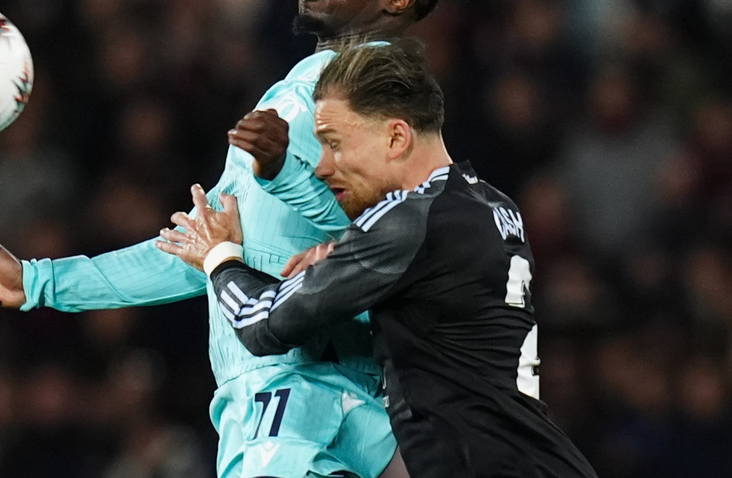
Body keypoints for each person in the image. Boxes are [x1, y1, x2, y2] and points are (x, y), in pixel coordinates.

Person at [0, 0, 538, 478]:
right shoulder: (315, 89)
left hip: (289, 396)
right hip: (349, 405)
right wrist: (39, 282)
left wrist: (282, 181)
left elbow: (401, 244)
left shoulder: (359, 96)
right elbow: (203, 252)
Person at [156, 41, 599, 478]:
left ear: (395, 136)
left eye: (334, 143)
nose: (323, 166)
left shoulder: (409, 219)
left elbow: (264, 325)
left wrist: (219, 256)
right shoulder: (491, 205)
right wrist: (345, 260)